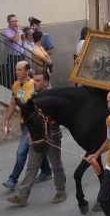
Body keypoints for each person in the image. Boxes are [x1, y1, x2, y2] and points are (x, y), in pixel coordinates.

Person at [7, 69, 68, 206]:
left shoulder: (54, 97)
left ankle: (61, 191)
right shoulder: (34, 96)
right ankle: (22, 195)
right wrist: (30, 132)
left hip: (52, 136)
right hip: (36, 136)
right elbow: (31, 118)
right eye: (34, 80)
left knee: (56, 165)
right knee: (32, 165)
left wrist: (50, 124)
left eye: (38, 80)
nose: (34, 82)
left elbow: (60, 118)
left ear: (46, 82)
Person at [1, 60, 51, 190]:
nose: (17, 72)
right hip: (24, 123)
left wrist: (32, 130)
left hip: (32, 125)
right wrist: (7, 120)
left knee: (21, 152)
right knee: (34, 148)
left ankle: (13, 179)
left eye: (20, 70)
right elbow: (13, 103)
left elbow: (37, 107)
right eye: (16, 69)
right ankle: (46, 171)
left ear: (27, 71)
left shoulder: (34, 85)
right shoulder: (16, 85)